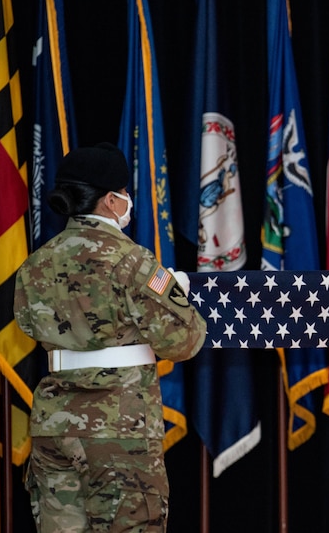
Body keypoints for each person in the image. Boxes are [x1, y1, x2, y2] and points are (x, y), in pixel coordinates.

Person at [14, 142, 207, 532]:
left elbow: (27, 325)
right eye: (124, 193)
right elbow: (185, 340)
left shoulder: (36, 263)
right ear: (110, 201)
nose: (128, 200)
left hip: (55, 423)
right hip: (120, 430)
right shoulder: (133, 261)